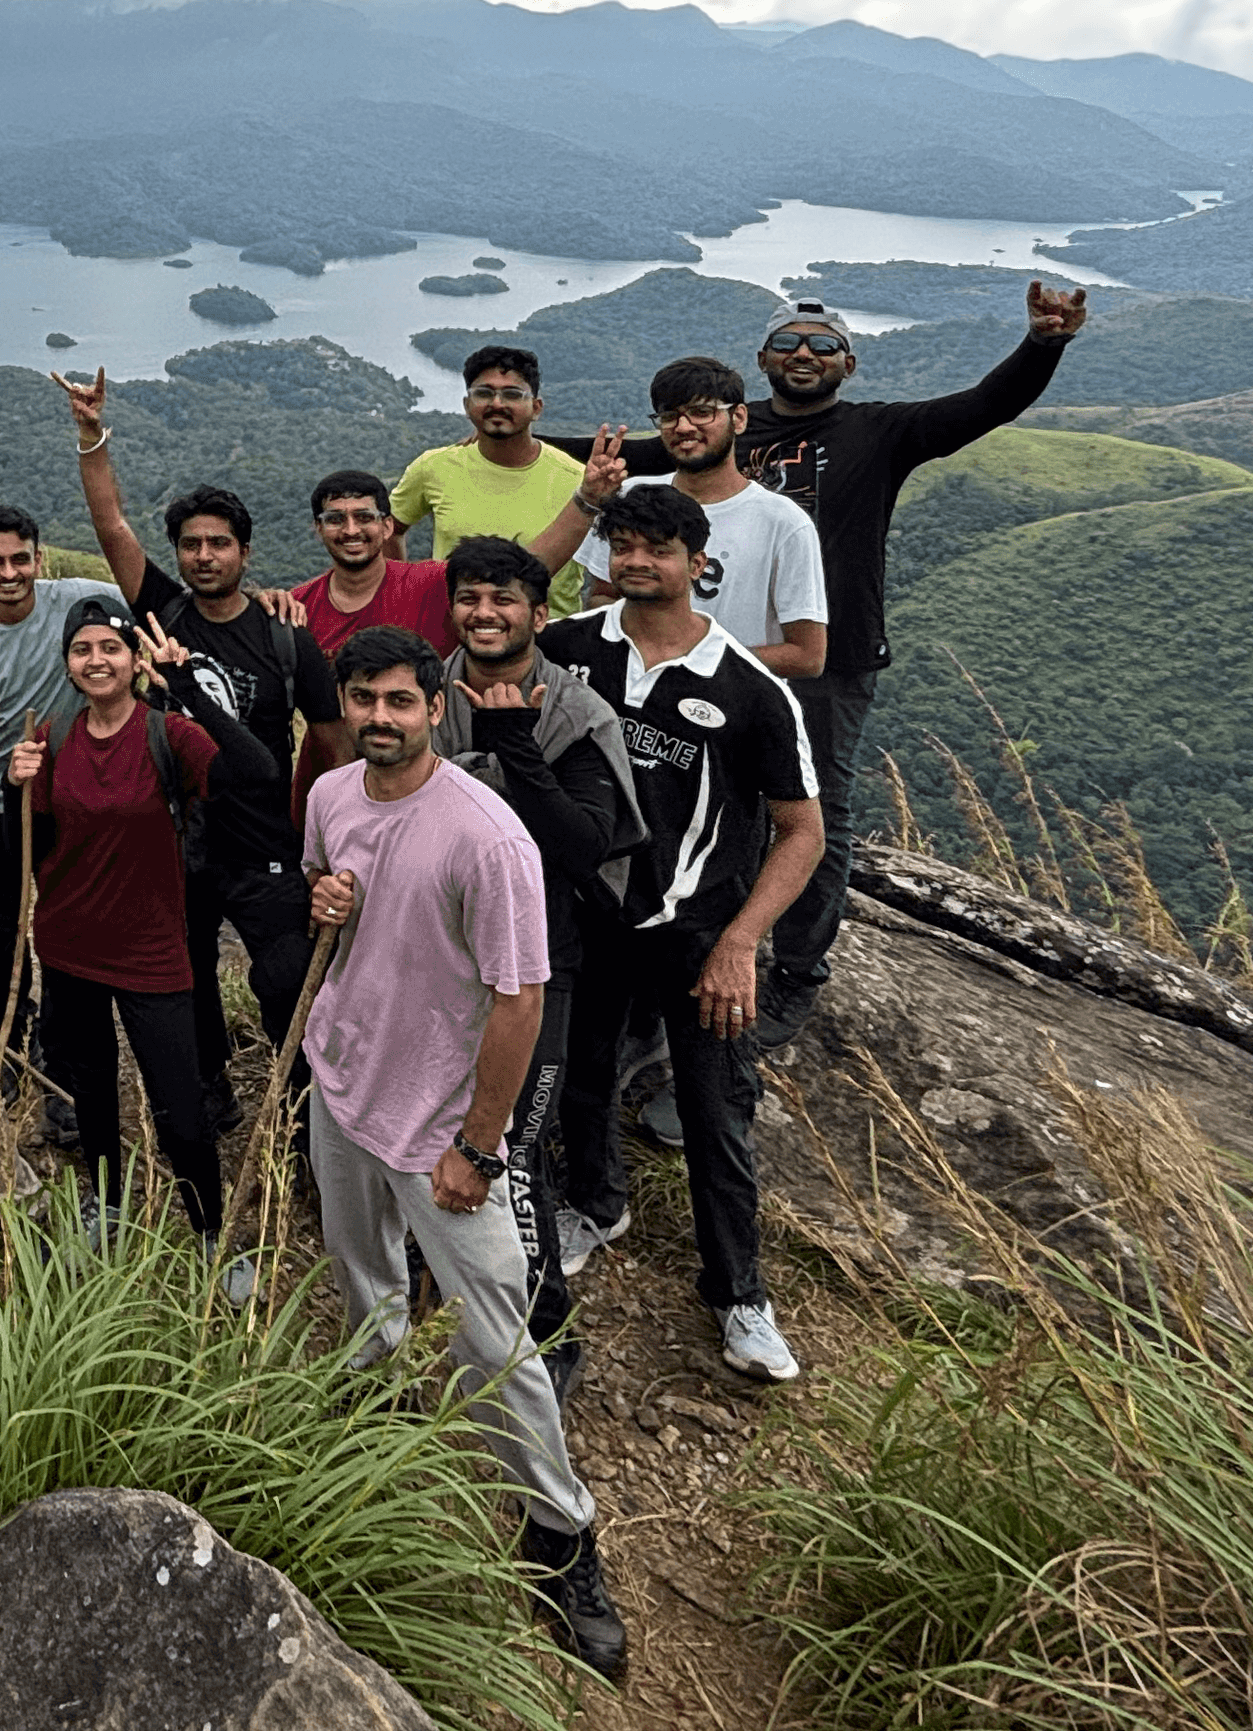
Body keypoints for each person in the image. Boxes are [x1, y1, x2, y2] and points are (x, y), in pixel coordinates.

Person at [302, 622, 628, 1682]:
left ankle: (560, 1534)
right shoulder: (331, 796)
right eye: (364, 699)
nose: (381, 718)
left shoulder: (488, 836)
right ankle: (369, 1394)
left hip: (441, 1126)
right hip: (343, 1084)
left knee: (495, 1340)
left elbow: (520, 999)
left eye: (401, 700)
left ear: (435, 708)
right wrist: (327, 903)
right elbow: (332, 904)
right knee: (361, 1275)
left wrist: (479, 1150)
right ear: (344, 705)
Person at [732, 284, 1087, 1042]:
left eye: (823, 345)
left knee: (813, 810)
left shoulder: (881, 431)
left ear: (849, 363)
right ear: (762, 359)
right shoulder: (728, 428)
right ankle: (714, 947)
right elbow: (622, 456)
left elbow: (985, 405)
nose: (804, 353)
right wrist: (502, 440)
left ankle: (796, 974)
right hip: (726, 649)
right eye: (789, 342)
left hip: (833, 658)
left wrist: (1043, 344)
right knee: (721, 802)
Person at [541, 486, 824, 1385]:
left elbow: (802, 831)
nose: (636, 562)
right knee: (583, 1074)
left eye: (657, 548)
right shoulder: (569, 649)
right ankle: (596, 1204)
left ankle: (740, 1294)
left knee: (714, 1110)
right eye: (623, 545)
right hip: (592, 916)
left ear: (698, 564)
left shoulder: (749, 687)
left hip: (700, 932)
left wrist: (742, 943)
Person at [62, 369, 343, 1129]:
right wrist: (91, 436)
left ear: (246, 552)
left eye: (220, 544)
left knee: (284, 980)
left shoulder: (286, 638)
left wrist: (319, 830)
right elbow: (111, 525)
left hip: (266, 843)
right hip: (177, 837)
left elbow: (331, 742)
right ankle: (210, 1085)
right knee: (184, 975)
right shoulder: (163, 612)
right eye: (191, 545)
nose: (205, 556)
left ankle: (305, 1107)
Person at [431, 538, 643, 1395]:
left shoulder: (576, 714)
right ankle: (434, 1289)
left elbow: (585, 846)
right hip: (436, 953)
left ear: (539, 613)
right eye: (470, 598)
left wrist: (514, 741)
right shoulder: (424, 694)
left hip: (537, 960)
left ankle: (546, 1332)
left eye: (503, 600)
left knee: (514, 1148)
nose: (484, 614)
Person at [12, 599, 271, 1290]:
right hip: (69, 944)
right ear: (68, 663)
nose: (96, 660)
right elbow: (31, 844)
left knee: (179, 1105)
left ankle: (211, 1232)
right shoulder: (52, 737)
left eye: (111, 648)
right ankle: (108, 1204)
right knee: (92, 1092)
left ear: (134, 661)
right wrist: (15, 789)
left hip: (153, 947)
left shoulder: (170, 734)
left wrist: (184, 686)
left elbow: (255, 773)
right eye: (82, 649)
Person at [0, 507, 124, 1123]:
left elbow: (155, 600)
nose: (8, 573)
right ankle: (12, 1040)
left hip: (71, 801)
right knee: (3, 931)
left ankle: (59, 1058)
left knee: (65, 930)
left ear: (40, 558)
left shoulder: (81, 599)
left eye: (19, 559)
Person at [543, 358, 827, 685]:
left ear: (738, 418)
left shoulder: (783, 522)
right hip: (628, 692)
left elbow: (807, 656)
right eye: (669, 416)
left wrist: (691, 659)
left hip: (731, 702)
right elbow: (603, 596)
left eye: (702, 412)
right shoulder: (632, 496)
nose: (683, 427)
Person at [391, 346, 592, 615]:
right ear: (467, 405)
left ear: (536, 408)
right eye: (484, 393)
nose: (497, 404)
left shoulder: (580, 482)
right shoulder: (433, 468)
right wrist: (401, 597)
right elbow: (390, 528)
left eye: (512, 394)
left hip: (551, 633)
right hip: (456, 630)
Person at [290, 471, 454, 657]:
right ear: (319, 529)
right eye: (335, 519)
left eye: (364, 517)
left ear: (387, 527)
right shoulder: (298, 607)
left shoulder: (435, 583)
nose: (351, 531)